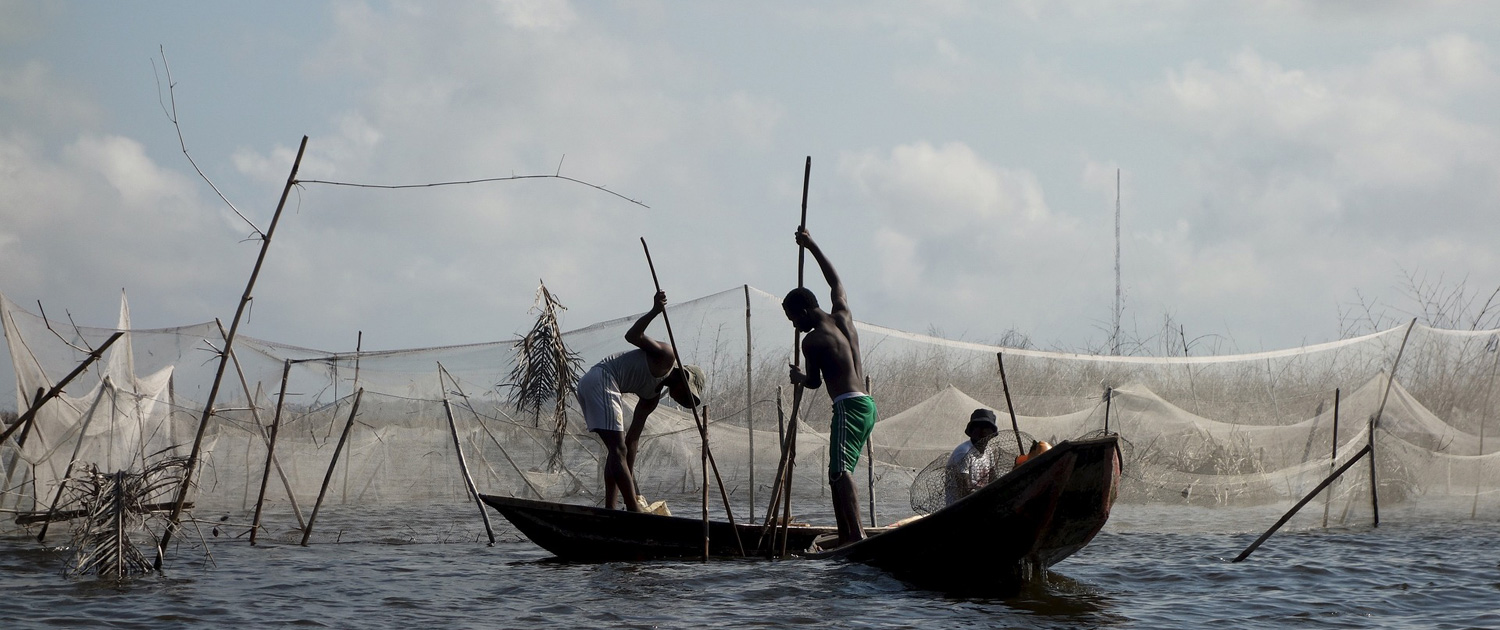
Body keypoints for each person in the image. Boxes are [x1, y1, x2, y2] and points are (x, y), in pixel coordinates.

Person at [784, 227, 876, 546]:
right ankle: (847, 533)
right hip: (866, 404)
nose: (795, 326)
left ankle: (857, 537)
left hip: (848, 406)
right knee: (837, 470)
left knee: (839, 472)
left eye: (794, 319)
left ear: (805, 312)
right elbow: (835, 281)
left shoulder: (813, 341)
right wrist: (812, 246)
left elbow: (812, 383)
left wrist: (797, 377)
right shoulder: (843, 316)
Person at [576, 290, 705, 511]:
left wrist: (630, 474)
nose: (685, 401)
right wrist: (655, 310)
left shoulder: (651, 398)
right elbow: (633, 336)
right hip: (602, 379)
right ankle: (633, 509)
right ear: (684, 378)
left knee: (618, 451)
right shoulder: (666, 356)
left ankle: (611, 508)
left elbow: (632, 440)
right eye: (688, 395)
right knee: (618, 450)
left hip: (599, 386)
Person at [945, 408, 1000, 505]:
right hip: (959, 507)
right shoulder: (964, 452)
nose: (981, 431)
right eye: (977, 427)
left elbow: (993, 479)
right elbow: (965, 490)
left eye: (986, 427)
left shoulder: (989, 452)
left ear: (991, 433)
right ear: (972, 431)